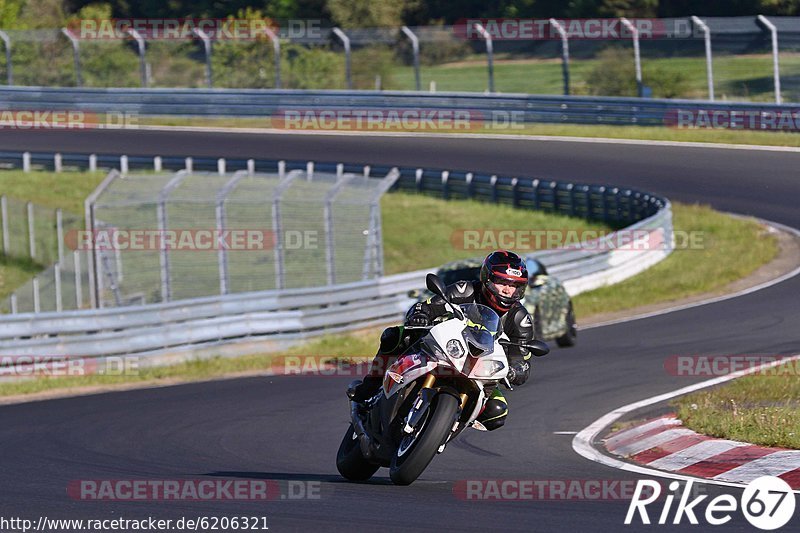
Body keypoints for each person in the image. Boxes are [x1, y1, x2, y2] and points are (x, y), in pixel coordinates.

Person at [350, 250, 540, 431]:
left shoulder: (520, 319)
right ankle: (369, 388)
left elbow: (522, 359)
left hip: (480, 369)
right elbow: (428, 306)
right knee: (393, 335)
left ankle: (447, 426)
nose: (508, 290)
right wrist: (421, 315)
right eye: (502, 282)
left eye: (515, 285)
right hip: (444, 348)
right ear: (487, 279)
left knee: (497, 412)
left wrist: (516, 371)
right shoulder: (465, 289)